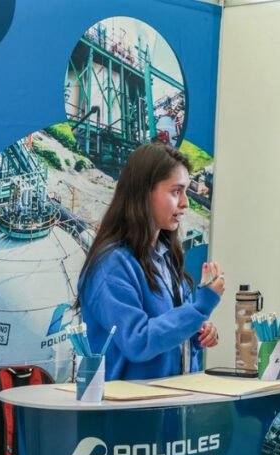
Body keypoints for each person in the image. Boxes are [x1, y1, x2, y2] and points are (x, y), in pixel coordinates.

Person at [77, 143, 223, 380]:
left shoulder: (166, 258)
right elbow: (138, 341)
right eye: (176, 191)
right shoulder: (111, 265)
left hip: (172, 406)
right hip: (128, 412)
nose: (185, 202)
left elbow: (168, 336)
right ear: (145, 192)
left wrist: (197, 332)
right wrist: (199, 308)